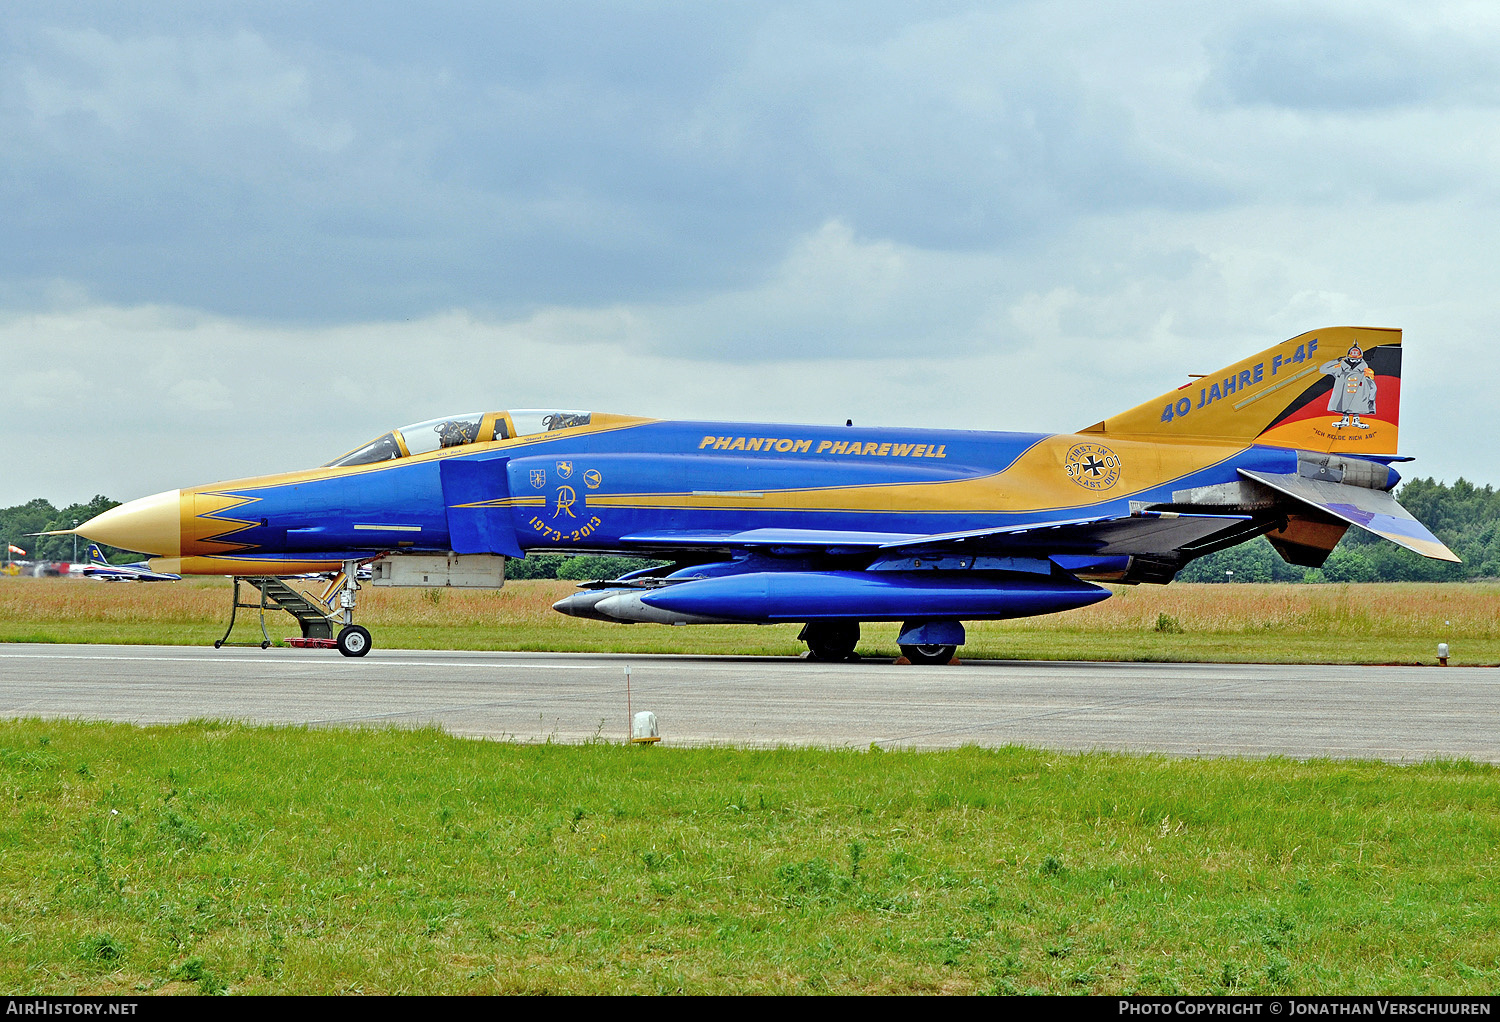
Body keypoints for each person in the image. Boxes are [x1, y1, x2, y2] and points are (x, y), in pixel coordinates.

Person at [1320, 344, 1377, 429]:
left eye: (1356, 353)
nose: (1354, 354)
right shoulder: (1339, 369)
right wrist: (1336, 361)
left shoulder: (1365, 371)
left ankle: (1356, 420)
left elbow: (1372, 385)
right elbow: (1323, 369)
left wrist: (1372, 397)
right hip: (1343, 395)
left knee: (1356, 404)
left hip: (1359, 396)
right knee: (1344, 403)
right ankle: (1345, 420)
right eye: (1353, 352)